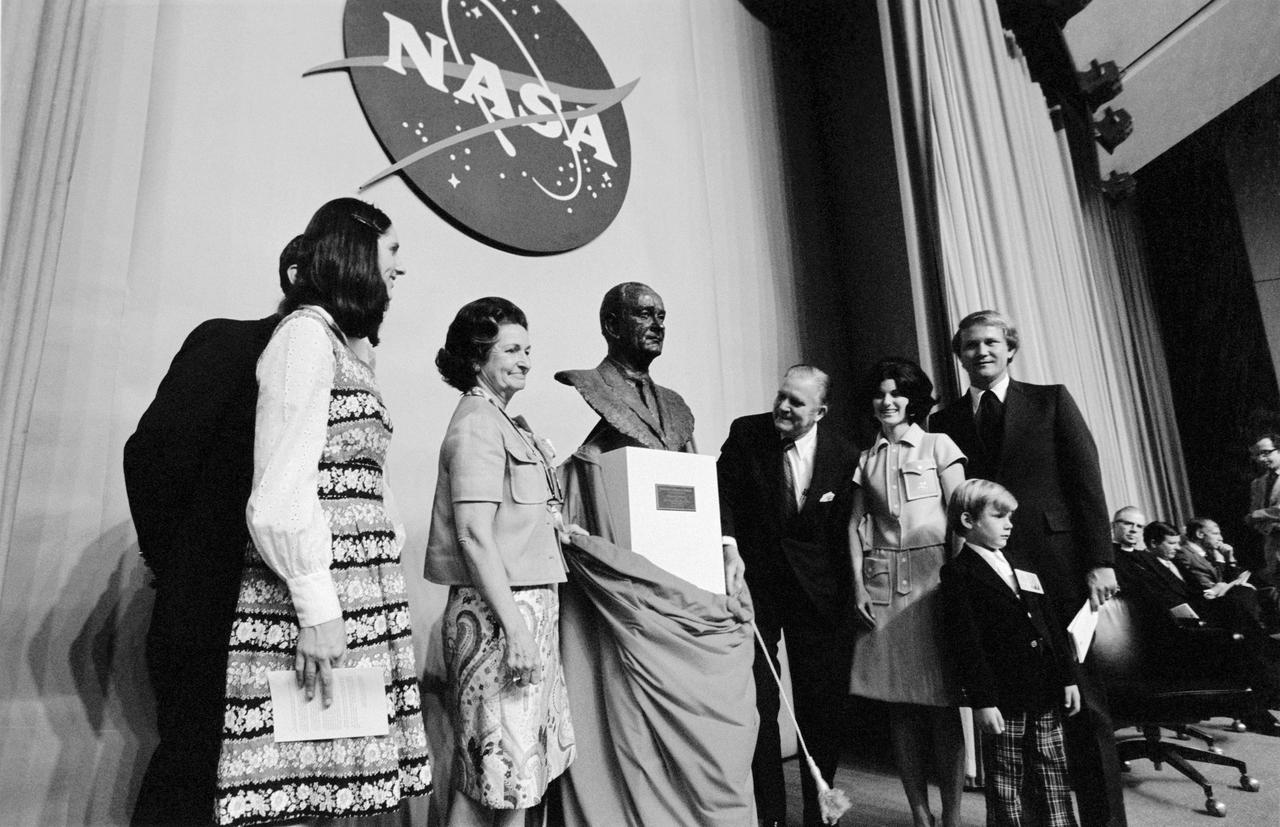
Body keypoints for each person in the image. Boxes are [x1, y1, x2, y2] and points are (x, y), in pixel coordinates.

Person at [214, 198, 432, 825]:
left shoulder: (339, 343)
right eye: (392, 252)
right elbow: (280, 490)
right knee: (302, 786)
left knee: (336, 788)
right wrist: (316, 609)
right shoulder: (304, 338)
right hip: (314, 601)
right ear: (357, 253)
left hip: (354, 595)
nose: (401, 269)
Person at [552, 282, 756, 826]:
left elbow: (697, 479)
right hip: (637, 578)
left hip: (684, 571)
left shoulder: (677, 408)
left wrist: (723, 543)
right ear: (612, 326)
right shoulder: (592, 387)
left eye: (662, 315)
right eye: (644, 314)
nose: (657, 324)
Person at [123, 238, 301, 825]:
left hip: (288, 623)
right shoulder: (230, 343)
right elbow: (152, 455)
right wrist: (177, 564)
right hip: (210, 605)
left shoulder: (338, 369)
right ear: (299, 273)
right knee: (195, 779)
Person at [929, 309, 1124, 827]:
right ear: (960, 355)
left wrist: (1100, 561)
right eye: (970, 345)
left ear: (1010, 348)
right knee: (1018, 716)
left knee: (1084, 704)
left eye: (991, 342)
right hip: (992, 580)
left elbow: (1087, 483)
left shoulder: (1051, 400)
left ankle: (1106, 822)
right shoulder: (942, 424)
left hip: (1059, 572)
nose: (982, 352)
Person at [424, 297, 577, 826]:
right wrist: (514, 631)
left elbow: (509, 521)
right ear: (477, 357)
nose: (526, 360)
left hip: (518, 610)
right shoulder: (477, 425)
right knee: (505, 777)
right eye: (512, 349)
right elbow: (472, 534)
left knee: (504, 777)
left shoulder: (499, 420)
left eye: (528, 349)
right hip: (498, 616)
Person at [716, 365, 857, 827]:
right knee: (761, 702)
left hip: (821, 595)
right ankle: (770, 816)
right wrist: (728, 548)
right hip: (757, 589)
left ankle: (818, 814)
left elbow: (846, 530)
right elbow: (720, 496)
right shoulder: (746, 433)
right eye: (782, 396)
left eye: (797, 402)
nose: (783, 407)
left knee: (822, 706)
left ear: (820, 410)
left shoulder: (844, 454)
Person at [846, 358, 966, 827]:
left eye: (896, 393)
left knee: (942, 704)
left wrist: (959, 582)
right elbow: (854, 524)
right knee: (900, 708)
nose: (887, 401)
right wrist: (858, 583)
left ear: (913, 400)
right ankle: (919, 813)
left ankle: (953, 816)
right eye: (879, 394)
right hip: (882, 586)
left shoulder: (939, 445)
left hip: (935, 580)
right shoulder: (866, 458)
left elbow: (962, 517)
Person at [940, 479, 1081, 827]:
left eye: (1011, 517)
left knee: (1054, 769)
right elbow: (967, 644)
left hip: (1045, 686)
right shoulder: (958, 573)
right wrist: (983, 701)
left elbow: (1049, 624)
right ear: (969, 520)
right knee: (1006, 777)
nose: (1009, 524)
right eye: (999, 516)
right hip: (1004, 695)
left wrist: (1067, 677)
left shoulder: (1022, 562)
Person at [1247, 433, 1280, 578]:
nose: (1261, 459)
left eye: (1265, 453)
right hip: (1272, 546)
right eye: (1257, 455)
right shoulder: (1257, 484)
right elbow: (1252, 517)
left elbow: (1255, 514)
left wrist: (1258, 515)